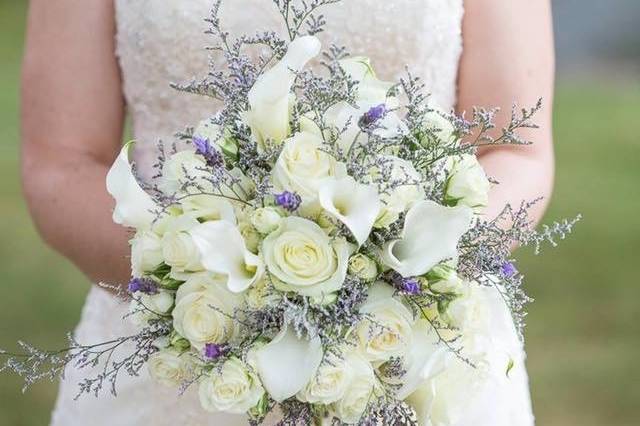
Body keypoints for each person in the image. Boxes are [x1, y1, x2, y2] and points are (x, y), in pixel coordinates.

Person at [20, 1, 554, 425]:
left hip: (409, 354)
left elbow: (516, 152)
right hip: (173, 354)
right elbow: (60, 164)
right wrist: (196, 283)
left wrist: (399, 285)